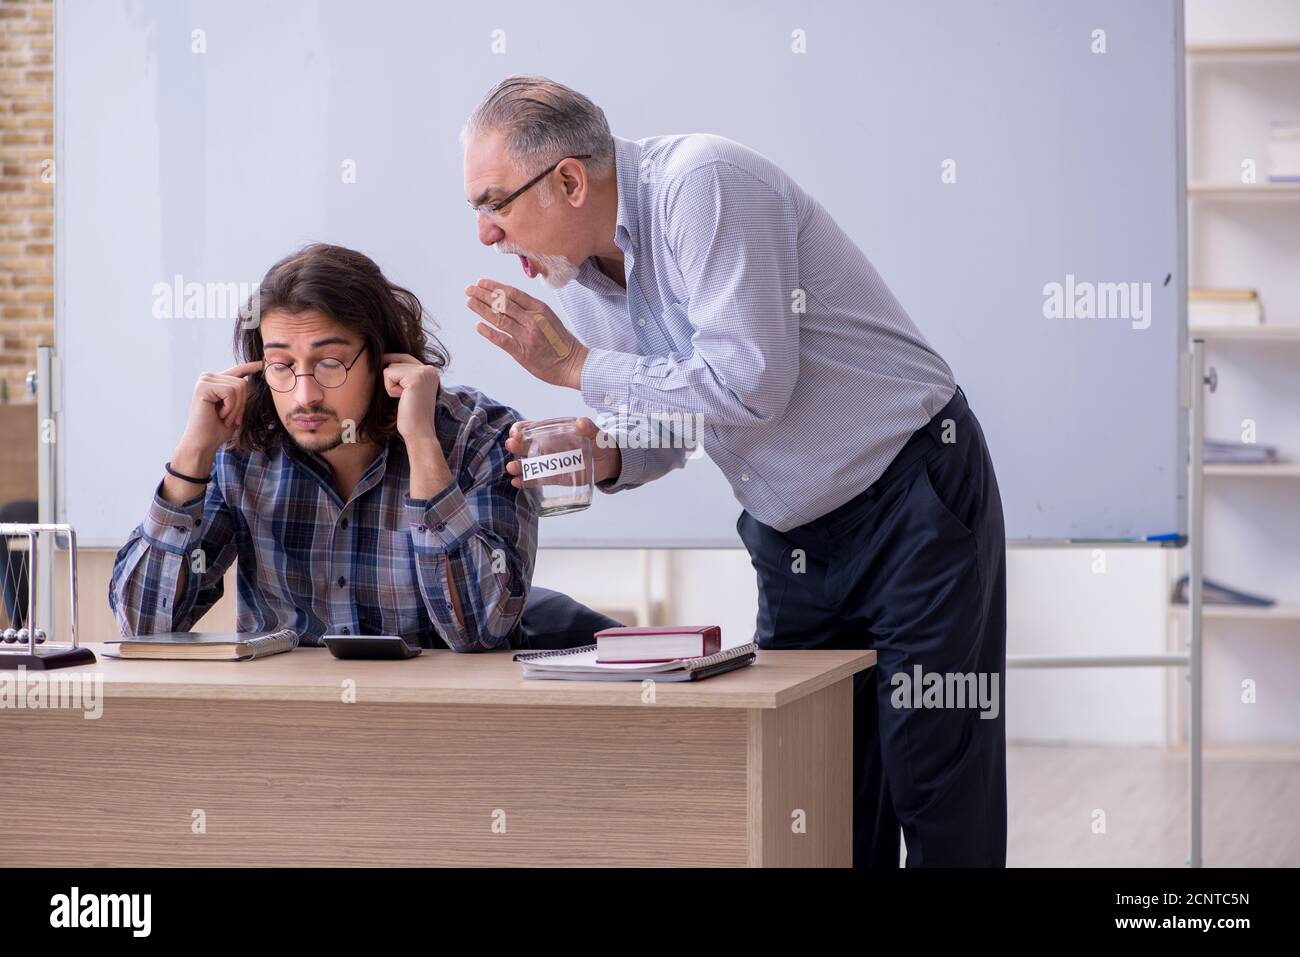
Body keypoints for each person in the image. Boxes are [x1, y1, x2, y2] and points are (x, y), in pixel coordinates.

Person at [460, 75, 1007, 865]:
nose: (487, 234)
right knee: (815, 792)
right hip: (793, 538)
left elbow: (750, 382)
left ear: (569, 180)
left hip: (909, 496)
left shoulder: (702, 184)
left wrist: (582, 366)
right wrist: (606, 452)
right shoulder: (579, 278)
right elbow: (686, 419)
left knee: (935, 787)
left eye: (494, 203)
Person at [109, 243, 536, 651]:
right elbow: (144, 627)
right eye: (282, 366)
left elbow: (482, 632)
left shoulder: (483, 437)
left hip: (441, 717)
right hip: (288, 716)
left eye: (330, 363)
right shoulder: (242, 450)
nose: (304, 396)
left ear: (383, 357)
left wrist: (421, 443)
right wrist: (192, 456)